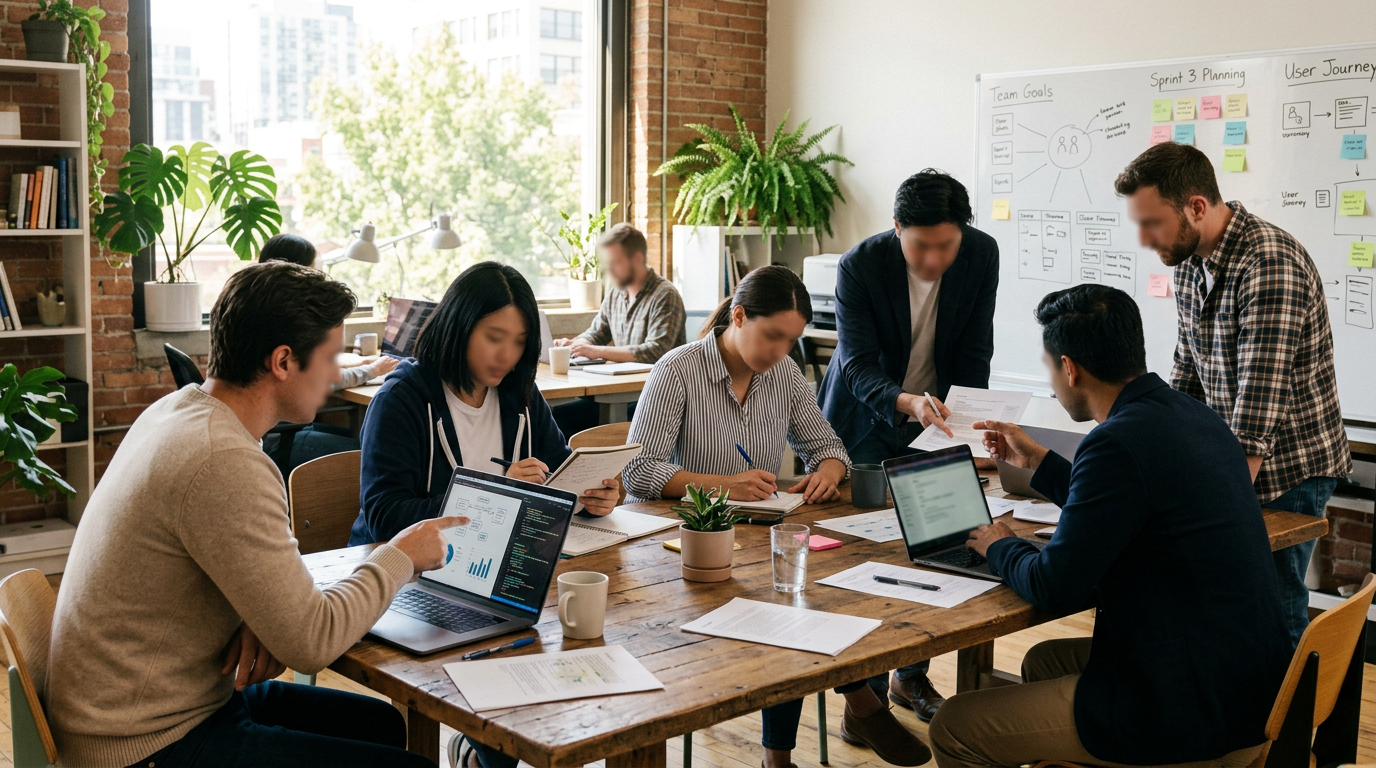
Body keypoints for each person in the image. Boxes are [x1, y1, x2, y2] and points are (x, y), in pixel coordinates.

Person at [46, 261, 467, 768]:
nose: (337, 374)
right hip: (143, 744)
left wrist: (255, 613)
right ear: (283, 361)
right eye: (331, 357)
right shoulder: (224, 462)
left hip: (144, 705)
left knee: (381, 725)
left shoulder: (178, 409)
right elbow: (312, 642)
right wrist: (399, 556)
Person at [928, 284, 1291, 767]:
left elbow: (1052, 585)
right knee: (1044, 661)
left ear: (1071, 368)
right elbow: (1125, 504)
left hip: (1188, 714)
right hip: (1251, 688)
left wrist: (999, 544)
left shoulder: (1115, 443)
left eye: (1049, 367)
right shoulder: (1193, 415)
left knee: (955, 727)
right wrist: (1040, 462)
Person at [623, 265, 929, 768]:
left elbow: (827, 447)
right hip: (685, 549)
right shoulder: (676, 370)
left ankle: (789, 751)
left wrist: (828, 471)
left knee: (801, 593)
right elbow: (638, 470)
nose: (781, 352)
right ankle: (854, 709)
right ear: (738, 316)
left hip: (760, 541)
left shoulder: (783, 374)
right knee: (788, 605)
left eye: (792, 340)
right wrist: (725, 487)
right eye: (773, 336)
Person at [348, 262, 620, 768]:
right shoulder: (404, 397)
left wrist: (593, 493)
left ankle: (485, 755)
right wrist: (496, 494)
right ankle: (485, 754)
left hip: (497, 574)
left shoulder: (517, 393)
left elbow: (560, 467)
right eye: (494, 337)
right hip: (408, 579)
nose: (507, 355)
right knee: (512, 690)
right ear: (459, 325)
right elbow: (386, 514)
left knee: (559, 669)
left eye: (519, 342)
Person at [1115, 142, 1351, 646]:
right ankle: (1231, 714)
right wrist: (1145, 437)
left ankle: (1281, 725)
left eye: (1152, 222)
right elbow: (1187, 367)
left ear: (1197, 207)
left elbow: (1258, 403)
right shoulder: (1187, 263)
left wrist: (1215, 498)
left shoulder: (1268, 262)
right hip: (1234, 460)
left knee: (1273, 605)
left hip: (1289, 467)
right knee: (1224, 605)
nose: (1144, 238)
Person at [816, 168, 999, 720]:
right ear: (897, 228)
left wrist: (967, 422)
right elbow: (856, 364)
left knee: (938, 542)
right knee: (870, 556)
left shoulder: (981, 254)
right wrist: (906, 402)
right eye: (920, 246)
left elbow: (975, 350)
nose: (933, 260)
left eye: (945, 246)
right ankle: (863, 698)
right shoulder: (860, 266)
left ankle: (910, 679)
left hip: (938, 417)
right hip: (865, 416)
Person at [550, 222, 686, 436]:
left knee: (564, 419)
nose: (608, 270)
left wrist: (597, 351)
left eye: (614, 263)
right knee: (555, 416)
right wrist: (578, 344)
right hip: (619, 391)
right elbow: (597, 332)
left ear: (637, 259)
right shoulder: (616, 293)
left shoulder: (665, 295)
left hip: (652, 397)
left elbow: (656, 352)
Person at [259, 233, 400, 389]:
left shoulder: (260, 308)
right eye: (316, 275)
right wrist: (373, 370)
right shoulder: (288, 321)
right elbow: (317, 381)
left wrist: (360, 363)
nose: (321, 284)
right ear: (294, 275)